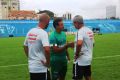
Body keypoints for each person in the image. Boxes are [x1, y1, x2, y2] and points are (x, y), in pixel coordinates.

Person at [23, 13, 51, 80]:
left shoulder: (30, 31)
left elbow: (25, 46)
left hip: (32, 67)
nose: (48, 24)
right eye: (48, 22)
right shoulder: (43, 33)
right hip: (41, 68)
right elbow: (47, 49)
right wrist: (48, 63)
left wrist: (30, 58)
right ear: (46, 21)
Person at [72, 15, 94, 80]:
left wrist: (76, 54)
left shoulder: (80, 31)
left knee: (77, 78)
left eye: (74, 23)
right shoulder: (89, 30)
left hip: (80, 60)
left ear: (77, 23)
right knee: (88, 76)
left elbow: (79, 43)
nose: (74, 25)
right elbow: (93, 44)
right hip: (88, 58)